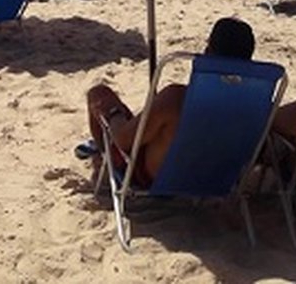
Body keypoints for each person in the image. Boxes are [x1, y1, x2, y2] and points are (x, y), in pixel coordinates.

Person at [80, 17, 257, 186]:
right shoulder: (254, 106)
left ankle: (105, 160)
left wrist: (114, 115)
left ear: (208, 52)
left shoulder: (175, 99)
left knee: (99, 94)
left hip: (156, 178)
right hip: (214, 179)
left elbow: (123, 141)